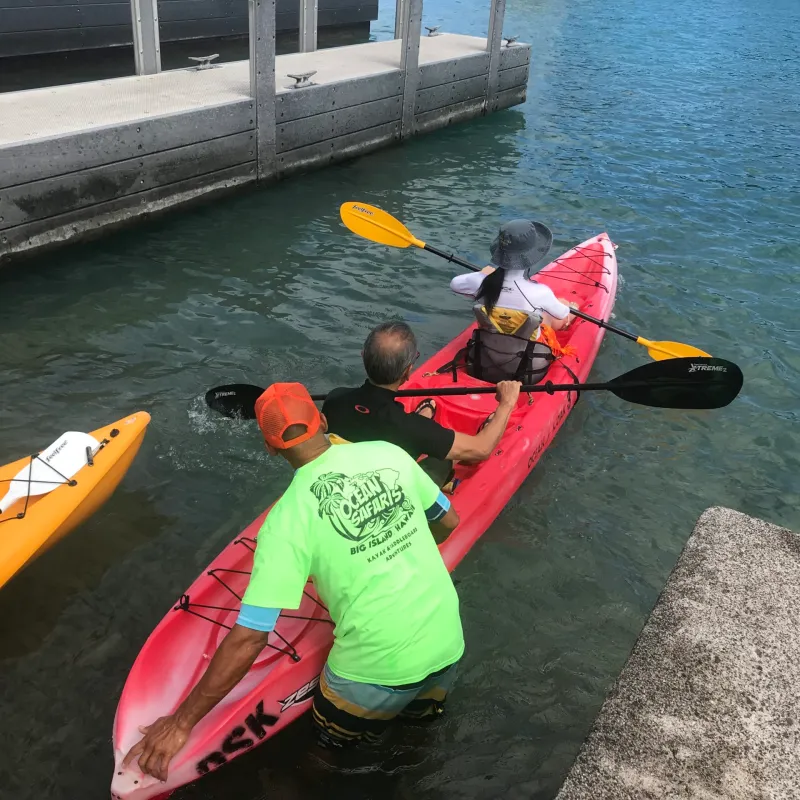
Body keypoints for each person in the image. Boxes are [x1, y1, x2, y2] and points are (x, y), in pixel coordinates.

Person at [123, 382, 464, 781]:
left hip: (372, 670)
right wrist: (393, 546)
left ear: (270, 448)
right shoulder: (391, 454)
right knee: (417, 736)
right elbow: (448, 522)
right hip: (447, 641)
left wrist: (181, 723)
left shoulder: (285, 522)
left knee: (320, 758)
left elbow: (250, 638)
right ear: (322, 422)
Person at [322, 321, 522, 470]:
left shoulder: (334, 399)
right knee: (442, 461)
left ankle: (425, 414)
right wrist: (507, 403)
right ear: (408, 371)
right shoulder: (413, 429)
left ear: (363, 356)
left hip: (346, 471)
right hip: (389, 485)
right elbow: (482, 448)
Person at [450, 219, 577, 341]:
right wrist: (569, 307)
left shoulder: (480, 282)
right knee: (563, 305)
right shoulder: (541, 292)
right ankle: (574, 308)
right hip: (527, 353)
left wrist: (482, 274)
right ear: (531, 255)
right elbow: (561, 314)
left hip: (488, 347)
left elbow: (455, 284)